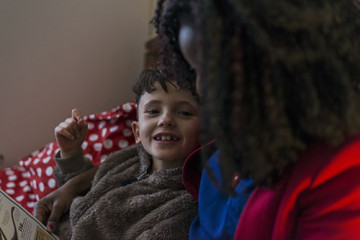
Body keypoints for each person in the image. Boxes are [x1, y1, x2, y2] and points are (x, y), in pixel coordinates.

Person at [153, 0, 360, 239]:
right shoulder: (219, 164)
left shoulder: (343, 172)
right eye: (195, 70)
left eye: (213, 68)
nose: (200, 87)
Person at [34, 68, 201, 240]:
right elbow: (84, 194)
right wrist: (70, 152)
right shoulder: (127, 160)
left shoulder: (186, 204)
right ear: (137, 132)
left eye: (184, 113)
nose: (165, 119)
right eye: (153, 111)